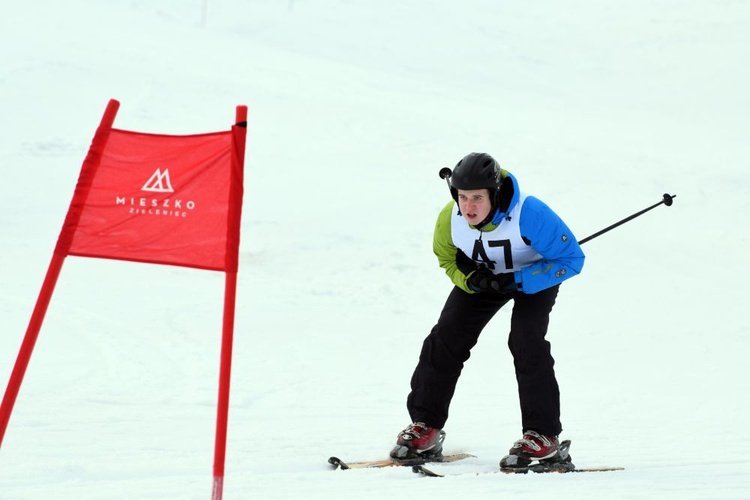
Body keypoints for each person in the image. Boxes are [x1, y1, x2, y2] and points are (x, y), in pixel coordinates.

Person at [389, 152, 585, 469]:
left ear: (493, 194)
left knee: (526, 340)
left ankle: (544, 437)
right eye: (463, 197)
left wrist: (520, 280)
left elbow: (571, 260)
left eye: (477, 198)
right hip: (483, 280)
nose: (469, 207)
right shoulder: (449, 219)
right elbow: (447, 259)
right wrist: (470, 279)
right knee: (445, 337)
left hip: (534, 279)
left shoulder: (529, 213)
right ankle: (425, 426)